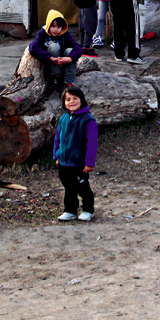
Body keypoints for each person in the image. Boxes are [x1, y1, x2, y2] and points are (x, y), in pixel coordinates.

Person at [54, 85, 97, 222]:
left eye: (75, 98)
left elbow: (92, 144)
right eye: (68, 99)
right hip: (64, 162)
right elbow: (57, 139)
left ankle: (88, 210)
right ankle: (70, 210)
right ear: (64, 103)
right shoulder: (63, 119)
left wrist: (89, 163)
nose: (71, 102)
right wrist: (57, 155)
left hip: (79, 163)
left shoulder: (88, 120)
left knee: (82, 186)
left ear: (81, 100)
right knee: (69, 187)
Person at [29, 10, 83, 92]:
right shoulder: (42, 33)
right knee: (54, 46)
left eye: (59, 27)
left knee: (70, 50)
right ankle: (56, 78)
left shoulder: (65, 34)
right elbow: (33, 48)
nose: (56, 29)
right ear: (48, 25)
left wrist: (69, 59)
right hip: (51, 64)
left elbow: (78, 47)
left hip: (64, 62)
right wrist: (50, 57)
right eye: (53, 26)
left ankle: (69, 82)